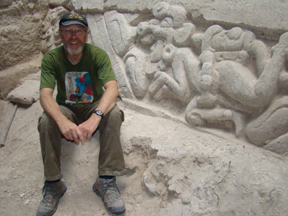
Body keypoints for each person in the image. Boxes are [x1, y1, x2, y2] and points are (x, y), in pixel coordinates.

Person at [36, 12, 126, 216]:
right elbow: (45, 96)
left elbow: (112, 88)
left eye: (78, 31)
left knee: (114, 114)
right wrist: (61, 121)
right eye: (68, 31)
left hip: (92, 105)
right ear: (60, 34)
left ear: (86, 34)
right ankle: (53, 183)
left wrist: (95, 117)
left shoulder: (97, 54)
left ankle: (106, 181)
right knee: (45, 120)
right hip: (66, 108)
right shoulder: (52, 58)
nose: (73, 36)